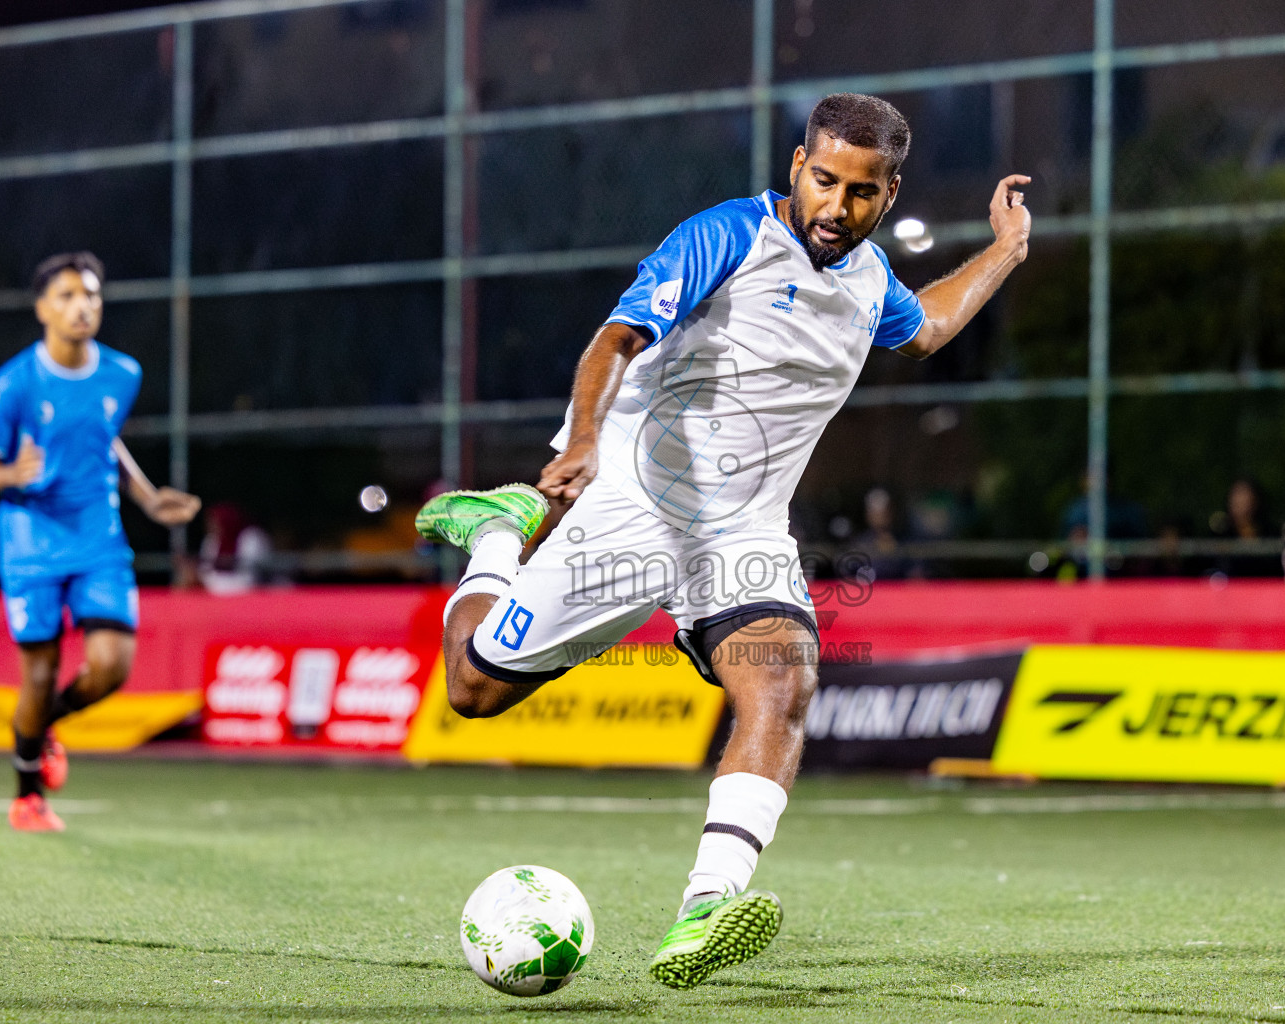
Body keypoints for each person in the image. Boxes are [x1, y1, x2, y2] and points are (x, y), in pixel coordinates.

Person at [414, 93, 1030, 988]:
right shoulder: (727, 236)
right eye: (823, 181)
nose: (836, 207)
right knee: (471, 688)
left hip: (743, 530)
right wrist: (584, 436)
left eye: (861, 193)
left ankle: (704, 907)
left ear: (888, 195)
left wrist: (1008, 249)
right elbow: (617, 337)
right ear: (796, 167)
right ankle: (498, 535)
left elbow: (927, 328)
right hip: (635, 502)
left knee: (783, 684)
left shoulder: (865, 286)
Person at [0, 252, 200, 833]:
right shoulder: (16, 382)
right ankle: (27, 795)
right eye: (68, 295)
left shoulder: (122, 373)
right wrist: (10, 475)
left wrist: (147, 497)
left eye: (91, 295)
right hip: (31, 541)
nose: (81, 306)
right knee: (39, 673)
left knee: (111, 667)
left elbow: (104, 440)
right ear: (43, 307)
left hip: (98, 536)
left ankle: (43, 726)